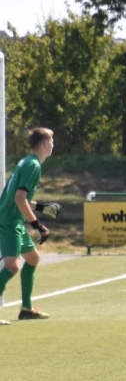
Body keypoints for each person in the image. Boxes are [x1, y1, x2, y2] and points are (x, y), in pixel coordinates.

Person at [0, 127, 60, 325]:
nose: (53, 144)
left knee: (33, 258)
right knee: (12, 266)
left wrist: (42, 207)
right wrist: (38, 225)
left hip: (12, 219)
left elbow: (19, 197)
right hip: (9, 221)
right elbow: (19, 199)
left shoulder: (27, 161)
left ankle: (26, 309)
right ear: (45, 143)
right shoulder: (33, 165)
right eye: (52, 141)